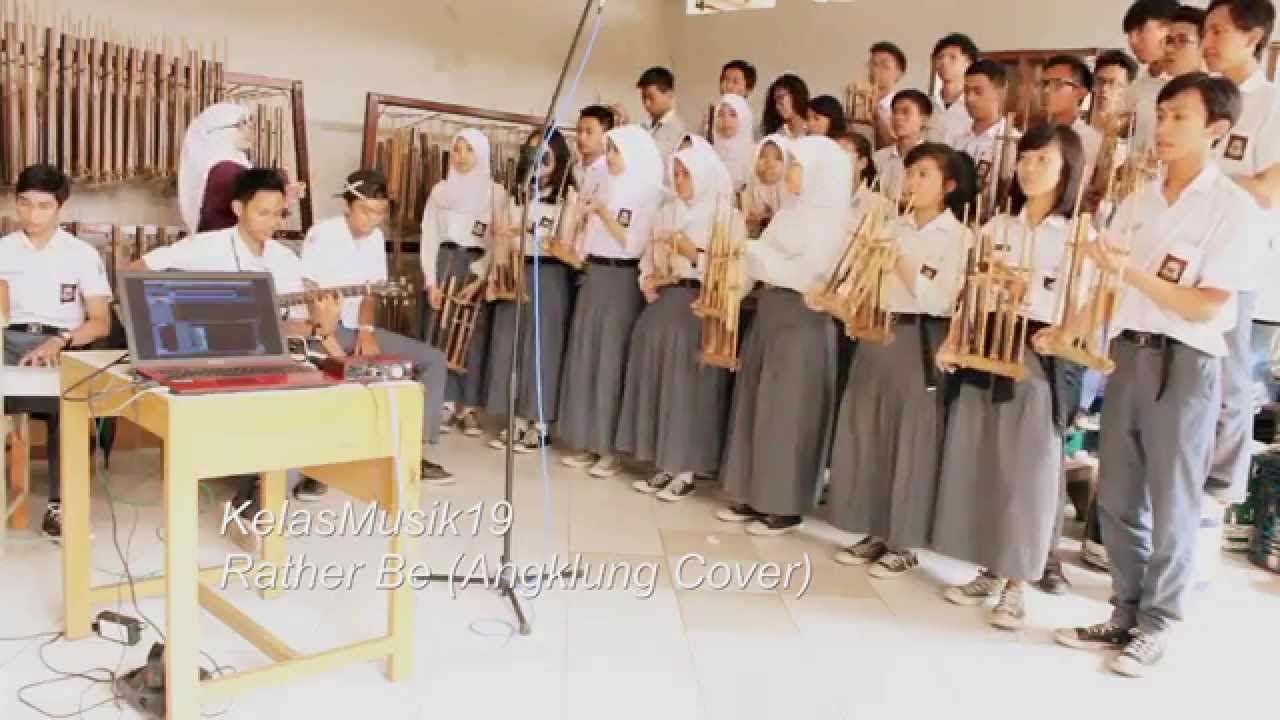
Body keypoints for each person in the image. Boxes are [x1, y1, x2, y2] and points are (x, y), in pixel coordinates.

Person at [1052, 73, 1254, 678]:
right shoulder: (1138, 199)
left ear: (1216, 130)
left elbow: (1207, 305)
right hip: (1129, 356)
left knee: (1172, 500)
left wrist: (1130, 273)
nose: (1162, 129)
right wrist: (1072, 330)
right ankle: (1124, 608)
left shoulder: (1232, 207)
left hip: (1185, 364)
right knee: (1118, 496)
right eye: (1161, 115)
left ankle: (1159, 623)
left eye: (1179, 119)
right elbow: (1109, 283)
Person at [933, 124, 1087, 630]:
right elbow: (970, 293)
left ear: (1066, 170)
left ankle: (1020, 580)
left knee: (1028, 472)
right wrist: (955, 339)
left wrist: (1062, 331)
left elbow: (1088, 305)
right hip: (987, 348)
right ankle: (986, 565)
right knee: (985, 459)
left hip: (1038, 355)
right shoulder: (997, 227)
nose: (1029, 167)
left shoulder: (1076, 236)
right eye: (1025, 157)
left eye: (1043, 159)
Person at [132, 168, 345, 517]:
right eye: (263, 212)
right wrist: (178, 315)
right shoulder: (204, 247)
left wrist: (320, 329)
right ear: (237, 208)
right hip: (208, 356)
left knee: (310, 398)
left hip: (264, 357)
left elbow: (285, 327)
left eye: (278, 213)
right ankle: (261, 487)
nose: (272, 222)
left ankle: (259, 492)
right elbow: (136, 271)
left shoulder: (284, 260)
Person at [825, 143, 975, 577]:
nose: (912, 182)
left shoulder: (959, 237)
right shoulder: (891, 226)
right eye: (910, 173)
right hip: (879, 331)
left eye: (924, 174)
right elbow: (862, 282)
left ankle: (905, 540)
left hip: (921, 339)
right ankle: (874, 527)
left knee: (913, 439)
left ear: (948, 185)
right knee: (871, 430)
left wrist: (903, 263)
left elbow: (944, 297)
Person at [716, 135, 852, 536]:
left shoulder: (832, 220)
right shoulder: (788, 213)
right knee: (756, 403)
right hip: (773, 314)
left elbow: (806, 273)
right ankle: (748, 490)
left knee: (788, 413)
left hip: (803, 323)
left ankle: (783, 504)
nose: (790, 171)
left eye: (796, 164)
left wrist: (754, 252)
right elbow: (756, 265)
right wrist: (731, 296)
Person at [299, 170, 453, 487]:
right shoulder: (322, 234)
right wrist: (337, 351)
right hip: (322, 334)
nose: (373, 220)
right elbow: (310, 293)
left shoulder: (375, 239)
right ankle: (313, 467)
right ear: (347, 205)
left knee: (433, 360)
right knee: (331, 376)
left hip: (356, 330)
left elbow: (370, 291)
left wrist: (367, 330)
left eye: (380, 213)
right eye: (366, 211)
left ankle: (412, 453)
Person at [617, 142, 742, 502]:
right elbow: (648, 256)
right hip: (665, 301)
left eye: (686, 173)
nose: (680, 180)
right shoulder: (666, 212)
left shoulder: (724, 216)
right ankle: (662, 461)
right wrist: (648, 278)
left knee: (686, 388)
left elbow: (733, 269)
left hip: (702, 304)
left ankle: (685, 467)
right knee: (657, 377)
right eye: (676, 173)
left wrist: (694, 255)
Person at [0, 164, 112, 539]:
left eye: (43, 206)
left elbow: (100, 322)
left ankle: (60, 507)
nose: (33, 215)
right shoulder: (3, 251)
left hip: (62, 343)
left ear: (61, 207)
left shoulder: (81, 254)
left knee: (72, 403)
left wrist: (60, 340)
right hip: (8, 342)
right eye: (25, 204)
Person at [1201, 0, 1280, 509]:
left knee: (1230, 380)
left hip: (1240, 260)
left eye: (1217, 31)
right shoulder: (1203, 98)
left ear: (1251, 37)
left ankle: (1221, 489)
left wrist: (1206, 185)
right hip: (1188, 259)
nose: (1207, 41)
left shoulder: (1271, 104)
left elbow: (1270, 188)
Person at [557, 126, 665, 478]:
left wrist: (603, 213)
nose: (611, 158)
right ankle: (586, 440)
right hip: (595, 275)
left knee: (610, 362)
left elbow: (633, 245)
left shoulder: (646, 195)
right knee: (586, 357)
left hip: (621, 280)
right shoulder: (604, 184)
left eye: (616, 151)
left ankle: (609, 449)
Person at [484, 129, 577, 453]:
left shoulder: (568, 197)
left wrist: (531, 232)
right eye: (532, 153)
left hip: (549, 274)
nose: (538, 161)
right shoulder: (517, 195)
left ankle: (540, 423)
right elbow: (502, 238)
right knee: (513, 345)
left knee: (542, 348)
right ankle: (516, 418)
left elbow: (567, 243)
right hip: (516, 271)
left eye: (545, 154)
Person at [419, 128, 507, 437]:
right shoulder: (440, 191)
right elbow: (429, 235)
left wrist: (482, 276)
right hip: (445, 262)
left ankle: (469, 406)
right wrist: (431, 281)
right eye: (456, 150)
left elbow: (499, 241)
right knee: (441, 330)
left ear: (481, 154)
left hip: (475, 266)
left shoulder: (496, 194)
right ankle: (443, 401)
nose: (461, 157)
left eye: (468, 150)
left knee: (472, 335)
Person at [177, 103, 304, 234]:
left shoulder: (226, 166)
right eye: (241, 124)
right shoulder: (223, 170)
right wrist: (282, 187)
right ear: (219, 132)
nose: (249, 128)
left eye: (249, 122)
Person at [958, 59, 1020, 214]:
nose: (970, 98)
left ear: (1000, 91)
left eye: (978, 91)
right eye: (966, 91)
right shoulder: (958, 138)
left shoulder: (1013, 141)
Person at [1124, 0, 1182, 154]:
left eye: (1139, 31)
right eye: (1129, 34)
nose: (1132, 41)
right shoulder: (1135, 89)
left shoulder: (1191, 87)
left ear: (1169, 28)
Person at [1041, 56, 1103, 168]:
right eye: (1045, 83)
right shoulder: (1037, 135)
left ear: (1080, 92)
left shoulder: (1091, 141)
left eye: (1057, 84)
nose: (1046, 91)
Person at [873, 89, 933, 201]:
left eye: (906, 112)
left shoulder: (932, 160)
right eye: (895, 112)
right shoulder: (878, 158)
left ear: (924, 120)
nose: (898, 118)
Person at [929, 33, 980, 147]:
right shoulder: (927, 105)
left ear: (969, 63)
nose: (944, 62)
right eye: (940, 57)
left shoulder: (975, 107)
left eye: (953, 57)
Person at [744, 134, 791, 238]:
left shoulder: (790, 190)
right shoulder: (754, 183)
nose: (770, 163)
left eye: (778, 158)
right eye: (763, 156)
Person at [637, 66, 688, 159]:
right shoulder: (644, 126)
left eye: (651, 97)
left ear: (669, 94)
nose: (646, 104)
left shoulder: (679, 131)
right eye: (643, 98)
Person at [712, 94, 756, 191]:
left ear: (744, 119)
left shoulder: (757, 155)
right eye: (720, 115)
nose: (726, 120)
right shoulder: (707, 155)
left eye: (733, 115)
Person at [869, 41, 909, 148]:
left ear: (899, 73)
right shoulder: (856, 105)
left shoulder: (904, 109)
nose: (875, 70)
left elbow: (898, 147)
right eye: (873, 64)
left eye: (884, 66)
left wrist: (876, 113)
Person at [761, 74, 810, 139]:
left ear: (796, 95)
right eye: (775, 101)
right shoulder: (777, 136)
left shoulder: (813, 130)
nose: (777, 106)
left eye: (780, 98)